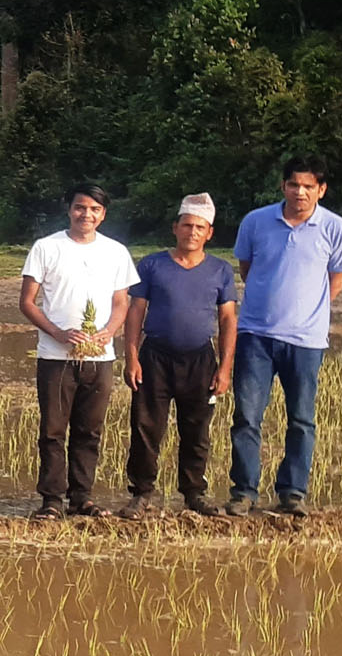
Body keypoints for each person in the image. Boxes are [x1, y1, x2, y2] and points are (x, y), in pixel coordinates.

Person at [227, 157, 342, 517]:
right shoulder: (256, 221)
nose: (300, 192)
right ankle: (244, 491)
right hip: (256, 336)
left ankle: (292, 492)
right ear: (283, 186)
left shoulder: (334, 227)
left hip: (307, 341)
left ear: (321, 190)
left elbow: (337, 277)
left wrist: (310, 311)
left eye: (309, 186)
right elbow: (248, 269)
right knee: (247, 416)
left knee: (301, 419)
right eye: (294, 184)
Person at [19, 184, 140, 519]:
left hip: (99, 359)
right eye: (80, 208)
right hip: (56, 358)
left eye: (94, 210)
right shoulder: (47, 248)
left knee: (89, 430)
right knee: (53, 430)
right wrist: (58, 332)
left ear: (103, 214)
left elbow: (121, 302)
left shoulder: (116, 252)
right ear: (69, 209)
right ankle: (52, 500)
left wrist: (109, 332)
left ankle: (82, 497)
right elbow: (27, 302)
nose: (86, 215)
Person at [122, 193, 237, 517]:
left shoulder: (220, 270)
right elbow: (135, 313)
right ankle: (141, 493)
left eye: (200, 227)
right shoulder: (152, 264)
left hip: (200, 360)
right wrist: (131, 357)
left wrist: (225, 367)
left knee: (197, 430)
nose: (192, 232)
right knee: (146, 428)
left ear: (209, 232)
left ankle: (193, 494)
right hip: (155, 358)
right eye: (186, 225)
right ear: (175, 228)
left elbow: (227, 319)